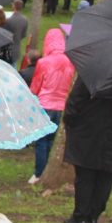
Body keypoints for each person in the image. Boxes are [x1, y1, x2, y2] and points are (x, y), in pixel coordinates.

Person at [62, 75, 112, 223]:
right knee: (105, 176)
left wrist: (70, 121)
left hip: (89, 131)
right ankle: (93, 216)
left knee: (86, 175)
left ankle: (82, 217)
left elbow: (75, 101)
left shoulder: (92, 73)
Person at [28, 27, 74, 183]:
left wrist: (31, 96)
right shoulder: (71, 61)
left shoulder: (43, 62)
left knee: (41, 140)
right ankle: (48, 168)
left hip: (45, 104)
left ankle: (39, 173)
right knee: (51, 140)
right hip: (62, 106)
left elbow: (36, 85)